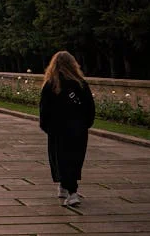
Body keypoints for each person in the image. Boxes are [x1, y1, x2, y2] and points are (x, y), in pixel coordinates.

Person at [39, 51, 95, 207]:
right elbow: (90, 108)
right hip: (78, 129)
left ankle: (72, 192)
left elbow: (44, 110)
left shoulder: (51, 85)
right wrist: (85, 124)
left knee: (61, 160)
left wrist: (47, 127)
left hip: (58, 129)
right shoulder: (81, 84)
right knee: (74, 159)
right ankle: (65, 186)